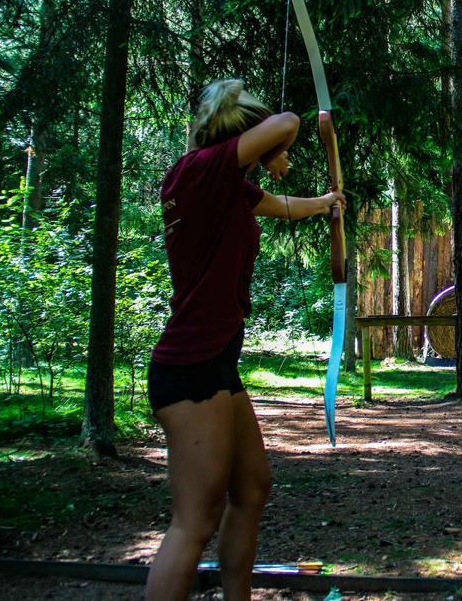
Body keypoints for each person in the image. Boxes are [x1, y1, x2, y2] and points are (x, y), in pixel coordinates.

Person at [145, 79, 344, 600]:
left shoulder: (222, 185)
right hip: (190, 366)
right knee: (195, 519)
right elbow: (290, 122)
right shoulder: (201, 171)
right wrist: (277, 148)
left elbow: (281, 207)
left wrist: (326, 202)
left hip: (215, 364)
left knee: (252, 488)